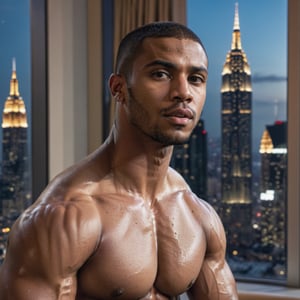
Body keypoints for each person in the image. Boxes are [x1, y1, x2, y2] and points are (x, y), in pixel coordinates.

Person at [0, 21, 238, 299]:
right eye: (161, 74)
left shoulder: (199, 215)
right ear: (118, 88)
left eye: (196, 78)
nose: (183, 92)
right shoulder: (64, 216)